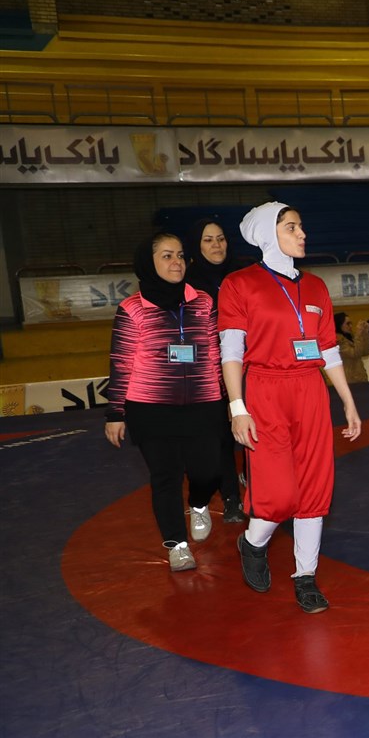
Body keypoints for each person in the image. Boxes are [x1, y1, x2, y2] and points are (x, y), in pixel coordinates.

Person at [217, 202, 362, 614]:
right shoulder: (239, 284)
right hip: (264, 389)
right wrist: (238, 407)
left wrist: (348, 401)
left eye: (301, 227)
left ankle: (306, 576)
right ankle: (253, 542)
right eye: (292, 227)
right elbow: (231, 350)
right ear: (268, 232)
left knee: (314, 488)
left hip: (310, 390)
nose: (302, 234)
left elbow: (328, 349)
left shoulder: (315, 287)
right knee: (279, 495)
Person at [104, 233, 224, 572]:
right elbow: (121, 362)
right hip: (150, 408)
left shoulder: (203, 302)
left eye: (181, 255)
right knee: (165, 477)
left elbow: (214, 352)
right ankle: (177, 545)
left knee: (209, 471)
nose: (177, 262)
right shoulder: (132, 308)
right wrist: (115, 413)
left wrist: (227, 398)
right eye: (167, 256)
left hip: (203, 403)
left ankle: (198, 503)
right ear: (149, 263)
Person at [184, 218, 246, 524]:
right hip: (209, 371)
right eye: (208, 240)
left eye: (220, 238)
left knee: (257, 429)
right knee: (221, 437)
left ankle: (256, 483)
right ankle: (232, 498)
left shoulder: (244, 274)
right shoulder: (187, 284)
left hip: (248, 364)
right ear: (196, 246)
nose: (216, 245)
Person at [333, 311, 369, 383]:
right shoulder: (337, 340)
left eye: (351, 323)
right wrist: (358, 334)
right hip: (349, 380)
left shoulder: (351, 337)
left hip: (360, 377)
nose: (350, 326)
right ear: (339, 325)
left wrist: (365, 333)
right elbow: (355, 353)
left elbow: (365, 352)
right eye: (347, 324)